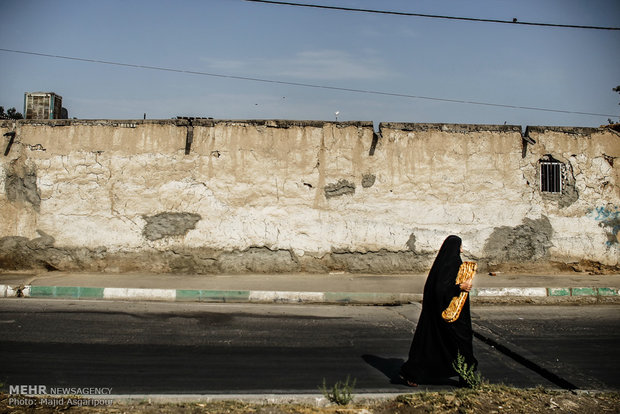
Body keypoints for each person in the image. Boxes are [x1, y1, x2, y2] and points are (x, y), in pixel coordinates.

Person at [399, 235, 477, 387]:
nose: (461, 250)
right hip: (449, 317)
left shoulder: (444, 263)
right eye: (460, 246)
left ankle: (466, 377)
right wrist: (459, 287)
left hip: (448, 314)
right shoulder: (451, 263)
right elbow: (440, 289)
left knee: (435, 345)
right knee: (460, 343)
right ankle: (466, 377)